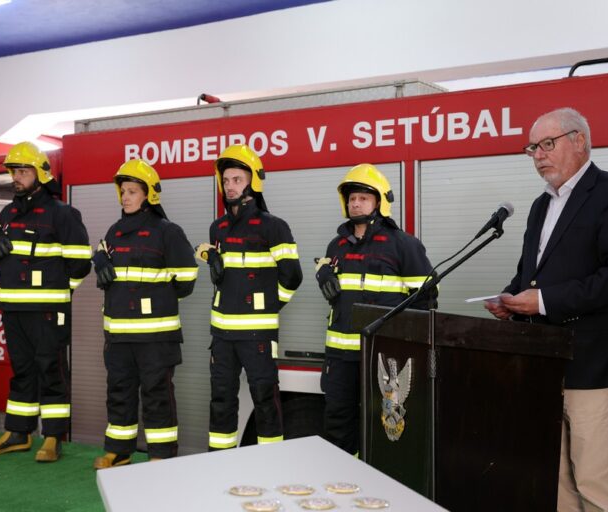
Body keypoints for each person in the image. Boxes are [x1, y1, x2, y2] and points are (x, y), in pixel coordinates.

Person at [485, 108, 608, 512]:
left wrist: (541, 301)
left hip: (595, 364)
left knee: (594, 478)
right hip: (545, 360)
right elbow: (531, 274)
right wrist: (510, 299)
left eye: (546, 144)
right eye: (532, 148)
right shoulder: (540, 205)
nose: (538, 155)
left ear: (579, 141)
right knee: (556, 478)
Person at [0, 142, 92, 463]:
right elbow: (2, 256)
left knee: (51, 371)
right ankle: (18, 433)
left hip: (46, 311)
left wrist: (58, 296)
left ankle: (53, 437)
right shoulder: (7, 213)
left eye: (23, 171)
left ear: (40, 174)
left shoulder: (62, 214)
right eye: (13, 171)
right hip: (12, 309)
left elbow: (80, 264)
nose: (16, 177)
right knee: (22, 372)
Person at [315, 163, 436, 456]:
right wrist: (325, 277)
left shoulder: (403, 245)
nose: (356, 203)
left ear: (380, 202)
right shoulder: (336, 246)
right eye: (352, 198)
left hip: (381, 357)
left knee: (382, 426)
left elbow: (426, 300)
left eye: (363, 198)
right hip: (340, 358)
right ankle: (342, 479)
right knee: (338, 424)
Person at [91, 160, 198, 469]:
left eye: (132, 191)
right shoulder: (114, 232)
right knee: (119, 393)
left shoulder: (168, 232)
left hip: (155, 337)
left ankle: (161, 456)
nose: (125, 197)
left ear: (149, 194)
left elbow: (186, 281)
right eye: (123, 191)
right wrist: (100, 261)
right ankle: (118, 451)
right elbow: (105, 264)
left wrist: (154, 299)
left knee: (157, 396)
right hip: (118, 335)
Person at [196, 144, 302, 451]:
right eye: (226, 180)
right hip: (222, 336)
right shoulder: (217, 228)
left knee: (265, 399)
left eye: (237, 180)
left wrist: (268, 307)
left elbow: (293, 276)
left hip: (257, 335)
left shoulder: (273, 227)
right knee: (221, 400)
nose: (229, 186)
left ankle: (270, 462)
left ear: (253, 182)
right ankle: (220, 461)